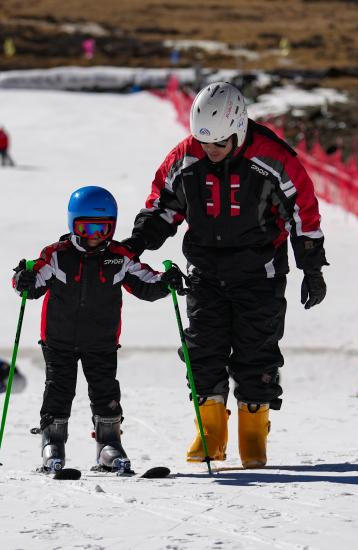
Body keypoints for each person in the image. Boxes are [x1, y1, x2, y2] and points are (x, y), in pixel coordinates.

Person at [123, 82, 328, 469]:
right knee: (202, 351)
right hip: (205, 272)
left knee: (256, 353)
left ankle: (253, 431)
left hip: (260, 274)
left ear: (238, 131)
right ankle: (211, 430)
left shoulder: (272, 159)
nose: (210, 152)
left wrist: (312, 267)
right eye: (203, 143)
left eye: (218, 144)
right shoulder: (187, 157)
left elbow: (302, 212)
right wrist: (138, 241)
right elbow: (164, 205)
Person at [12, 186, 185, 475]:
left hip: (102, 341)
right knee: (58, 390)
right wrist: (23, 279)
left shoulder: (118, 256)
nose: (95, 236)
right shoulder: (56, 255)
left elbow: (146, 283)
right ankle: (53, 442)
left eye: (103, 229)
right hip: (59, 340)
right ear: (73, 224)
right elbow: (33, 285)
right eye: (87, 227)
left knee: (106, 392)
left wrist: (166, 282)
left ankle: (109, 444)